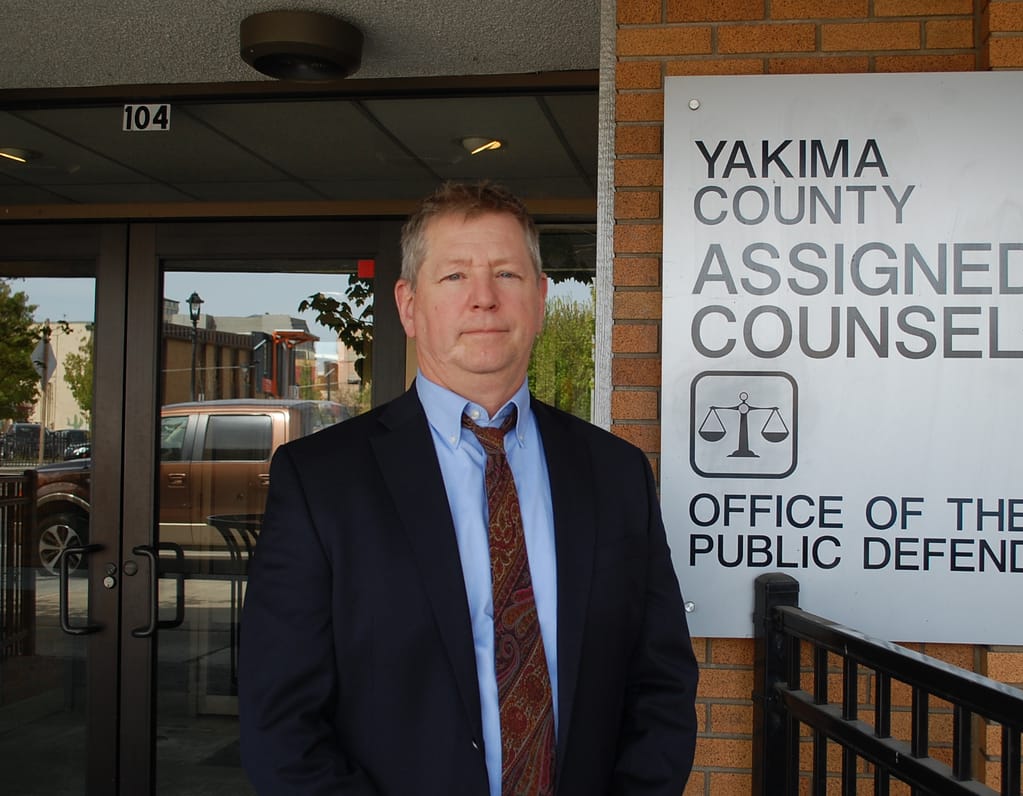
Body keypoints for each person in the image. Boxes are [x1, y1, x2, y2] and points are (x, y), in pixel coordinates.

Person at [239, 182, 699, 795]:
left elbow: (661, 686)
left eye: (506, 274)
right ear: (408, 304)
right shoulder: (321, 482)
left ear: (538, 298)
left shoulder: (615, 473)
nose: (483, 299)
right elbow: (281, 723)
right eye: (454, 276)